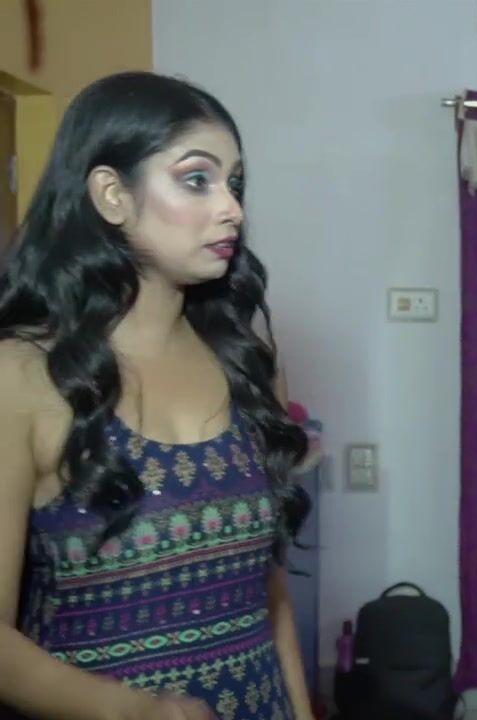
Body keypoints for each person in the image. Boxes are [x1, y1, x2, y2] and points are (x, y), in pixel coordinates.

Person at [0, 72, 314, 719]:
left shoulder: (249, 366)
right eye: (197, 179)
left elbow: (271, 595)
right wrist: (136, 711)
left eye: (234, 184)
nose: (231, 208)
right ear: (112, 194)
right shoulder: (24, 377)